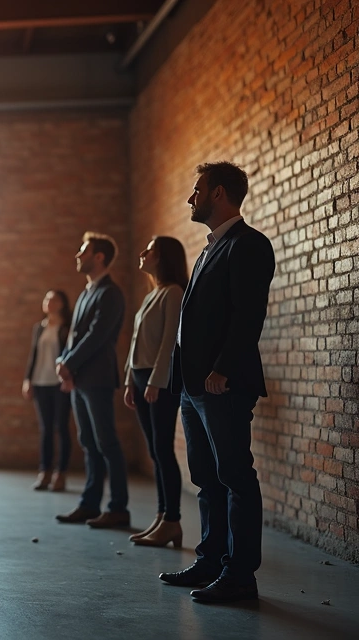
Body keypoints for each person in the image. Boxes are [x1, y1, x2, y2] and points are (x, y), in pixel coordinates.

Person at [158, 162, 275, 604]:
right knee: (206, 477)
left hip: (221, 384)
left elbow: (249, 315)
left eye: (197, 190)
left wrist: (223, 368)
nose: (191, 198)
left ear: (219, 193)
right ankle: (210, 559)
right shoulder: (209, 249)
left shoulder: (249, 245)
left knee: (235, 477)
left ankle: (240, 576)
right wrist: (180, 380)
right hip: (194, 387)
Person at [54, 232, 129, 528]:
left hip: (97, 378)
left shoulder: (110, 293)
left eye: (83, 250)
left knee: (106, 442)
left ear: (98, 257)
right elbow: (74, 337)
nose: (77, 255)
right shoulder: (86, 292)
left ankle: (118, 508)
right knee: (88, 442)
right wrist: (65, 364)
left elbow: (96, 337)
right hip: (80, 378)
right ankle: (89, 504)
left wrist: (68, 363)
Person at [123, 236, 189, 547]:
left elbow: (169, 344)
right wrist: (129, 381)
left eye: (148, 250)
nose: (142, 252)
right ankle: (162, 517)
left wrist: (155, 381)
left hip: (156, 380)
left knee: (163, 449)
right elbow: (136, 341)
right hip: (140, 378)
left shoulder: (174, 292)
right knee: (154, 451)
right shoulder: (154, 294)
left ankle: (172, 520)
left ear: (162, 257)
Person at [23, 290, 73, 491]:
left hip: (59, 384)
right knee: (46, 430)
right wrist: (28, 380)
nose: (48, 303)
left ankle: (61, 474)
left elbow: (69, 355)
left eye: (53, 299)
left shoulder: (66, 328)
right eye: (46, 299)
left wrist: (69, 377)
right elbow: (33, 355)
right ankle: (45, 472)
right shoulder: (39, 327)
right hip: (40, 382)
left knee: (61, 427)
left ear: (62, 303)